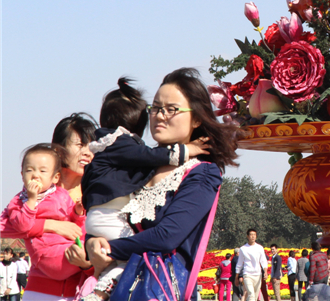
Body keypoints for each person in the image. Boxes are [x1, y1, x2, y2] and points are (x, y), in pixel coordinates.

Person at [84, 67, 239, 301]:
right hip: (118, 289)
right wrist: (92, 242)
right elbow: (107, 213)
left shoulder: (203, 173)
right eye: (156, 108)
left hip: (158, 289)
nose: (160, 115)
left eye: (171, 109)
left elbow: (167, 236)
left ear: (196, 118)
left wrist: (109, 248)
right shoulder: (138, 163)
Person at [1, 113, 97, 301]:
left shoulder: (96, 195)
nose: (87, 152)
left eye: (91, 146)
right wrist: (50, 225)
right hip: (41, 292)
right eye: (79, 145)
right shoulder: (40, 192)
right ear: (59, 150)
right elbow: (4, 226)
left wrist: (86, 265)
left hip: (80, 293)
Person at [235, 229, 268, 301]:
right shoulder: (243, 249)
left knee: (255, 297)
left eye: (254, 235)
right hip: (247, 274)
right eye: (251, 234)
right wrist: (236, 277)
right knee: (251, 294)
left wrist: (265, 271)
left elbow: (263, 261)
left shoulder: (260, 248)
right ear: (247, 236)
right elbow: (239, 263)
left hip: (258, 275)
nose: (253, 236)